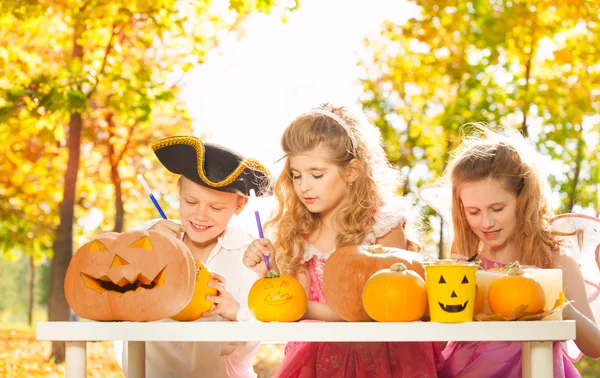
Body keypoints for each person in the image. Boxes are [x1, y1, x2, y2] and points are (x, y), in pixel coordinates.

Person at [243, 103, 441, 377]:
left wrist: (297, 307)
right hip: (318, 356)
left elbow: (388, 305)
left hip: (383, 358)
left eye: (317, 174)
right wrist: (271, 273)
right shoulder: (300, 230)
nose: (304, 186)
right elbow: (295, 296)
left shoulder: (380, 226)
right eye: (296, 175)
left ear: (352, 171)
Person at [438, 128, 600, 378]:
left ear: (523, 201)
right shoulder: (469, 259)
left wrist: (559, 306)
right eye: (473, 211)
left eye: (497, 208)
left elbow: (594, 346)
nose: (486, 222)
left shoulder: (555, 264)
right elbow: (442, 330)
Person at [116, 136, 272, 378]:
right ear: (179, 191)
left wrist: (235, 312)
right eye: (191, 201)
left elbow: (261, 329)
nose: (201, 216)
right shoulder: (148, 236)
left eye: (216, 208)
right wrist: (143, 251)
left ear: (239, 205)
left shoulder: (248, 254)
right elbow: (111, 296)